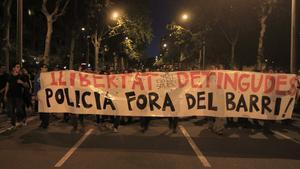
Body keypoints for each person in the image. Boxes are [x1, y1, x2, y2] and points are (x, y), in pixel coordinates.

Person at [4, 63, 28, 128]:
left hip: (18, 96)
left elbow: (27, 85)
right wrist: (5, 95)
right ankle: (13, 123)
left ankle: (22, 119)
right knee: (10, 110)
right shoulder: (9, 76)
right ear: (13, 68)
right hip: (10, 96)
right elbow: (7, 86)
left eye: (19, 67)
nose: (19, 68)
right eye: (17, 67)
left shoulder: (21, 76)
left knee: (19, 110)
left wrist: (22, 82)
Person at [33, 64, 50, 129]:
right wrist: (35, 95)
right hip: (40, 95)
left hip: (47, 95)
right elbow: (35, 86)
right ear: (41, 68)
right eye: (44, 67)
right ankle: (43, 122)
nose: (45, 69)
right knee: (41, 110)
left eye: (46, 68)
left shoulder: (49, 76)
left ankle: (46, 123)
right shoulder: (37, 76)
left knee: (46, 110)